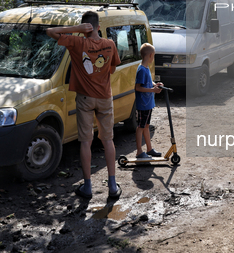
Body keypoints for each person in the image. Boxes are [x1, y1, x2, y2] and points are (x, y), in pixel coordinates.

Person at [46, 11, 122, 200]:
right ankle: (112, 186)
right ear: (98, 27)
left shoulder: (77, 43)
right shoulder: (110, 44)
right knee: (108, 140)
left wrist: (76, 30)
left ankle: (87, 187)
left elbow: (50, 31)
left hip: (85, 99)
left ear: (84, 27)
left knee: (86, 142)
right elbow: (112, 69)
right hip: (105, 98)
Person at [135, 43, 163, 159]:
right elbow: (138, 87)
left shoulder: (146, 68)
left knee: (146, 126)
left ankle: (149, 149)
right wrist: (152, 90)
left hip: (148, 104)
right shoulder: (141, 69)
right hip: (143, 104)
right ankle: (139, 151)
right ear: (151, 55)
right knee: (140, 127)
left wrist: (155, 85)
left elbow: (148, 82)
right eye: (154, 55)